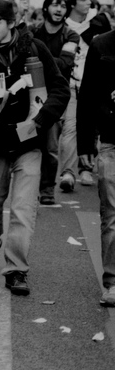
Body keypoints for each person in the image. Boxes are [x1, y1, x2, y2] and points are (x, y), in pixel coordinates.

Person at [0, 0, 69, 297]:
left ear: (12, 23)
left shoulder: (35, 49)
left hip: (29, 144)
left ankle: (16, 269)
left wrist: (41, 120)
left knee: (23, 210)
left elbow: (60, 88)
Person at [58, 0, 112, 191]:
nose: (88, 1)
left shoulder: (99, 20)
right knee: (71, 127)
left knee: (95, 126)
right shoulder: (64, 25)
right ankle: (68, 172)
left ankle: (86, 168)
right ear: (72, 4)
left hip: (95, 82)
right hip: (72, 82)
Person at [77, 28, 115, 306]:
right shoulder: (101, 44)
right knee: (111, 213)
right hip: (111, 142)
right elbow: (87, 95)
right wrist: (85, 144)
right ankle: (112, 282)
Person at [32, 0, 79, 205]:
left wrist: (37, 59)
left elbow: (65, 63)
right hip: (31, 92)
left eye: (63, 6)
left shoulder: (71, 36)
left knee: (51, 146)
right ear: (45, 8)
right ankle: (30, 186)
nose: (59, 9)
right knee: (29, 142)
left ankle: (47, 189)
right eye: (54, 5)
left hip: (56, 95)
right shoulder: (33, 31)